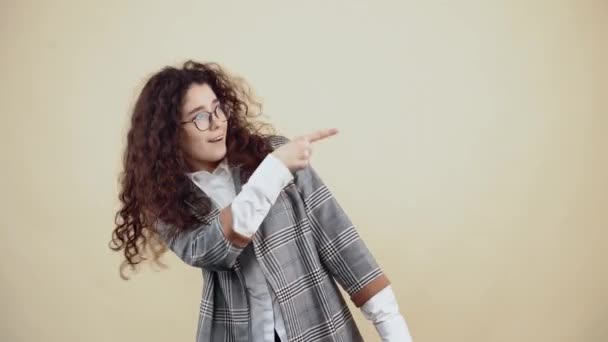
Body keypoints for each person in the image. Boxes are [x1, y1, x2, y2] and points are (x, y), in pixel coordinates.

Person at [111, 60, 412, 342]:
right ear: (170, 133)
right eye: (200, 117)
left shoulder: (272, 155)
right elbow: (209, 251)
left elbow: (342, 244)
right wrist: (274, 172)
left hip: (319, 326)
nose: (217, 123)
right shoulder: (167, 201)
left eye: (218, 109)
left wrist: (395, 332)